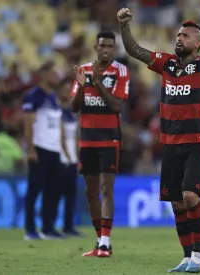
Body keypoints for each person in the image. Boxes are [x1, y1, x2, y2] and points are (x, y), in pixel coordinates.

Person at [118, 4, 200, 272]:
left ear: (199, 43)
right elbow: (134, 50)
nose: (179, 38)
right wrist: (123, 25)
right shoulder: (166, 63)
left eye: (186, 35)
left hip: (196, 144)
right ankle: (187, 255)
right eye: (179, 34)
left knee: (190, 196)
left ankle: (199, 254)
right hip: (170, 146)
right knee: (177, 202)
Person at [71, 31, 130, 257]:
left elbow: (117, 106)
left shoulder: (121, 71)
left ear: (113, 50)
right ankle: (99, 241)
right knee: (90, 191)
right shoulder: (82, 70)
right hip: (87, 139)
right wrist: (83, 86)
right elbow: (74, 107)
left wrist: (97, 83)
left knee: (107, 188)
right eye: (102, 46)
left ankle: (106, 241)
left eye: (110, 46)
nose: (106, 50)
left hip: (109, 138)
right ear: (95, 48)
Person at [22, 61, 70, 240]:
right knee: (34, 190)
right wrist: (31, 149)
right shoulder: (34, 96)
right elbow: (28, 124)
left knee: (53, 190)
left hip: (54, 149)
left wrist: (62, 149)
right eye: (53, 73)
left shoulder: (52, 98)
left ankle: (48, 228)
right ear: (44, 74)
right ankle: (30, 230)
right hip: (40, 148)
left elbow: (58, 126)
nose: (56, 76)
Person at [58, 78, 81, 236]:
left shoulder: (72, 113)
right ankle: (50, 225)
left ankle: (68, 226)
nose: (68, 92)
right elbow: (58, 135)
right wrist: (65, 152)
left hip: (72, 158)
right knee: (56, 194)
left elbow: (77, 136)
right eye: (65, 89)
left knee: (71, 196)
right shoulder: (56, 110)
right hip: (61, 157)